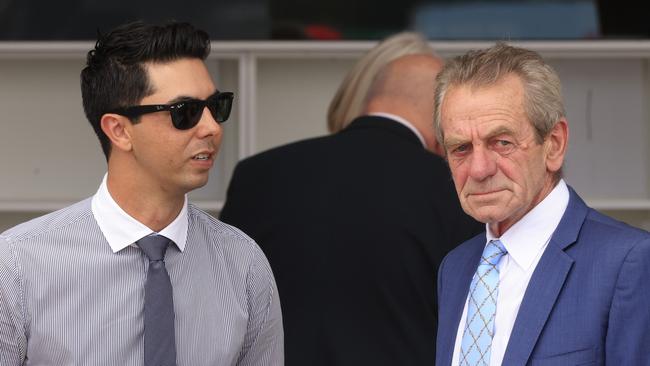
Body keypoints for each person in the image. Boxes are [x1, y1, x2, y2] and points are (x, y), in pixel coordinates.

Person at [0, 21, 283, 366]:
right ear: (119, 130)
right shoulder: (16, 265)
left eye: (216, 105)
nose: (211, 127)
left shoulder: (244, 264)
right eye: (185, 112)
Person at [220, 33, 483, 366]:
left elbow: (222, 304)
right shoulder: (453, 187)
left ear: (369, 98)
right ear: (442, 120)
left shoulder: (257, 174)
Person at [434, 43, 650, 366]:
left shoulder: (627, 263)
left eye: (502, 143)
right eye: (461, 148)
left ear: (554, 145)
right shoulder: (455, 268)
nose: (479, 169)